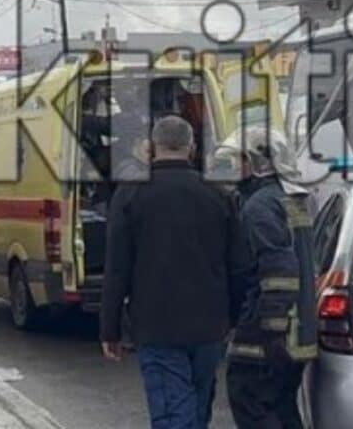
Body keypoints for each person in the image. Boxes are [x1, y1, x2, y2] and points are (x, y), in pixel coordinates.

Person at [100, 116, 252, 429]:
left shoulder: (130, 195)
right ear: (191, 148)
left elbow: (117, 269)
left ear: (152, 148)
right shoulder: (218, 194)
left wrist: (110, 329)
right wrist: (231, 317)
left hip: (157, 326)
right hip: (209, 327)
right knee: (196, 410)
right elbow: (239, 266)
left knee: (174, 416)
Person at [220, 127, 318, 429]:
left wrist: (271, 329)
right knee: (283, 409)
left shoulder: (259, 206)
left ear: (257, 162)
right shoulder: (291, 199)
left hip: (270, 334)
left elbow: (279, 271)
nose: (234, 167)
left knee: (250, 401)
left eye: (240, 159)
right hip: (299, 331)